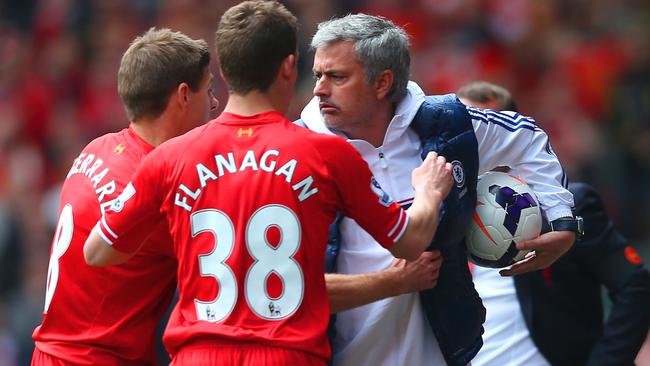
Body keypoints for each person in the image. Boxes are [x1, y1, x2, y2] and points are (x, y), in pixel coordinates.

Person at [82, 1, 454, 365]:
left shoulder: (167, 158)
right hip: (288, 354)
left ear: (224, 72)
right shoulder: (328, 155)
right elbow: (410, 242)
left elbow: (97, 252)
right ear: (289, 67)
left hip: (198, 355)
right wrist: (429, 191)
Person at [297, 14, 580, 366]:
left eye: (337, 76)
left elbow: (528, 138)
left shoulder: (448, 126)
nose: (319, 89)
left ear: (383, 82)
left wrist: (561, 221)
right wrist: (392, 281)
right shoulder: (297, 152)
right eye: (318, 75)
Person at [30, 28, 218, 365]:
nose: (216, 103)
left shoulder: (96, 148)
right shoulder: (162, 187)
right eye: (209, 90)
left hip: (50, 354)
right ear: (184, 96)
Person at [458, 80, 650, 366]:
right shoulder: (443, 214)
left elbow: (634, 286)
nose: (476, 141)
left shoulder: (568, 207)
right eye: (468, 131)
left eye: (487, 129)